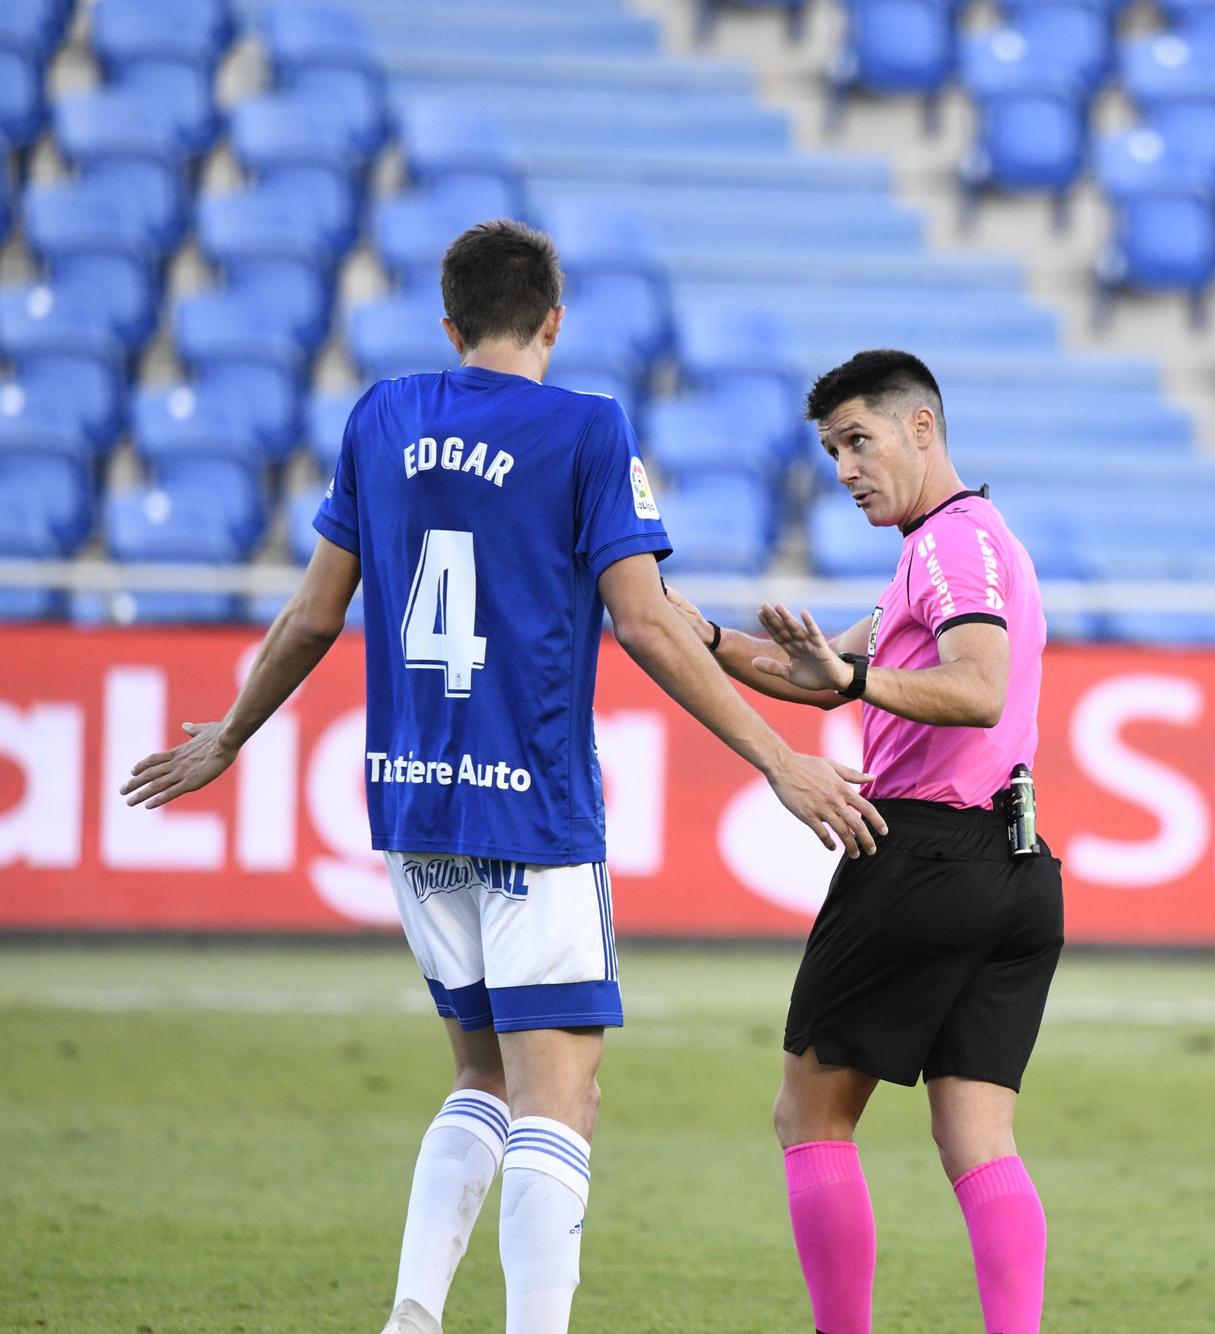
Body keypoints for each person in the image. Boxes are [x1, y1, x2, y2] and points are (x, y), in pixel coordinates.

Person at [118, 220, 886, 1334]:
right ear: (554, 320)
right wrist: (778, 759)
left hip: (414, 805)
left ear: (449, 323)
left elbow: (311, 614)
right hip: (530, 805)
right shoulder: (586, 431)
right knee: (559, 1097)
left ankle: (414, 1312)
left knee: (481, 1076)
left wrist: (230, 734)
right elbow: (647, 624)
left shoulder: (380, 418)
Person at [665, 348, 1062, 1334]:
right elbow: (821, 669)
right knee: (976, 1136)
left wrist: (846, 684)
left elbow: (972, 688)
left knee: (809, 1113)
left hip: (922, 852)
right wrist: (705, 638)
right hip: (1014, 867)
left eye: (858, 439)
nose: (843, 467)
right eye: (832, 449)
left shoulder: (946, 547)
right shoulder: (963, 544)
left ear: (920, 428)